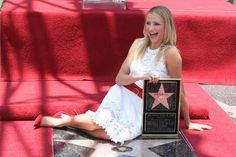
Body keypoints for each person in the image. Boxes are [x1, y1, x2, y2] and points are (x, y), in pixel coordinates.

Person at [34, 6, 212, 144]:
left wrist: (188, 123)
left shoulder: (171, 53)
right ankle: (57, 122)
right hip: (122, 93)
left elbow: (180, 89)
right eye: (148, 23)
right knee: (97, 124)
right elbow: (119, 78)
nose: (151, 28)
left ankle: (69, 121)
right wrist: (141, 76)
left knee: (112, 136)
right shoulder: (138, 44)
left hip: (143, 106)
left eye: (156, 24)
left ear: (167, 27)